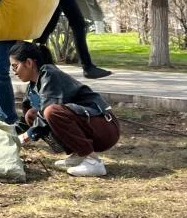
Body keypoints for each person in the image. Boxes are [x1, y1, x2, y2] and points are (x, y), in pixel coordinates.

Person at [9, 40, 118, 178]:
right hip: (91, 126)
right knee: (31, 115)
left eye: (15, 67)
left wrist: (26, 136)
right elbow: (26, 122)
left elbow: (47, 113)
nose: (14, 73)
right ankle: (79, 155)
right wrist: (7, 133)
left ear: (29, 63)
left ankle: (94, 162)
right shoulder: (32, 87)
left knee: (51, 112)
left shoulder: (49, 74)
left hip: (105, 128)